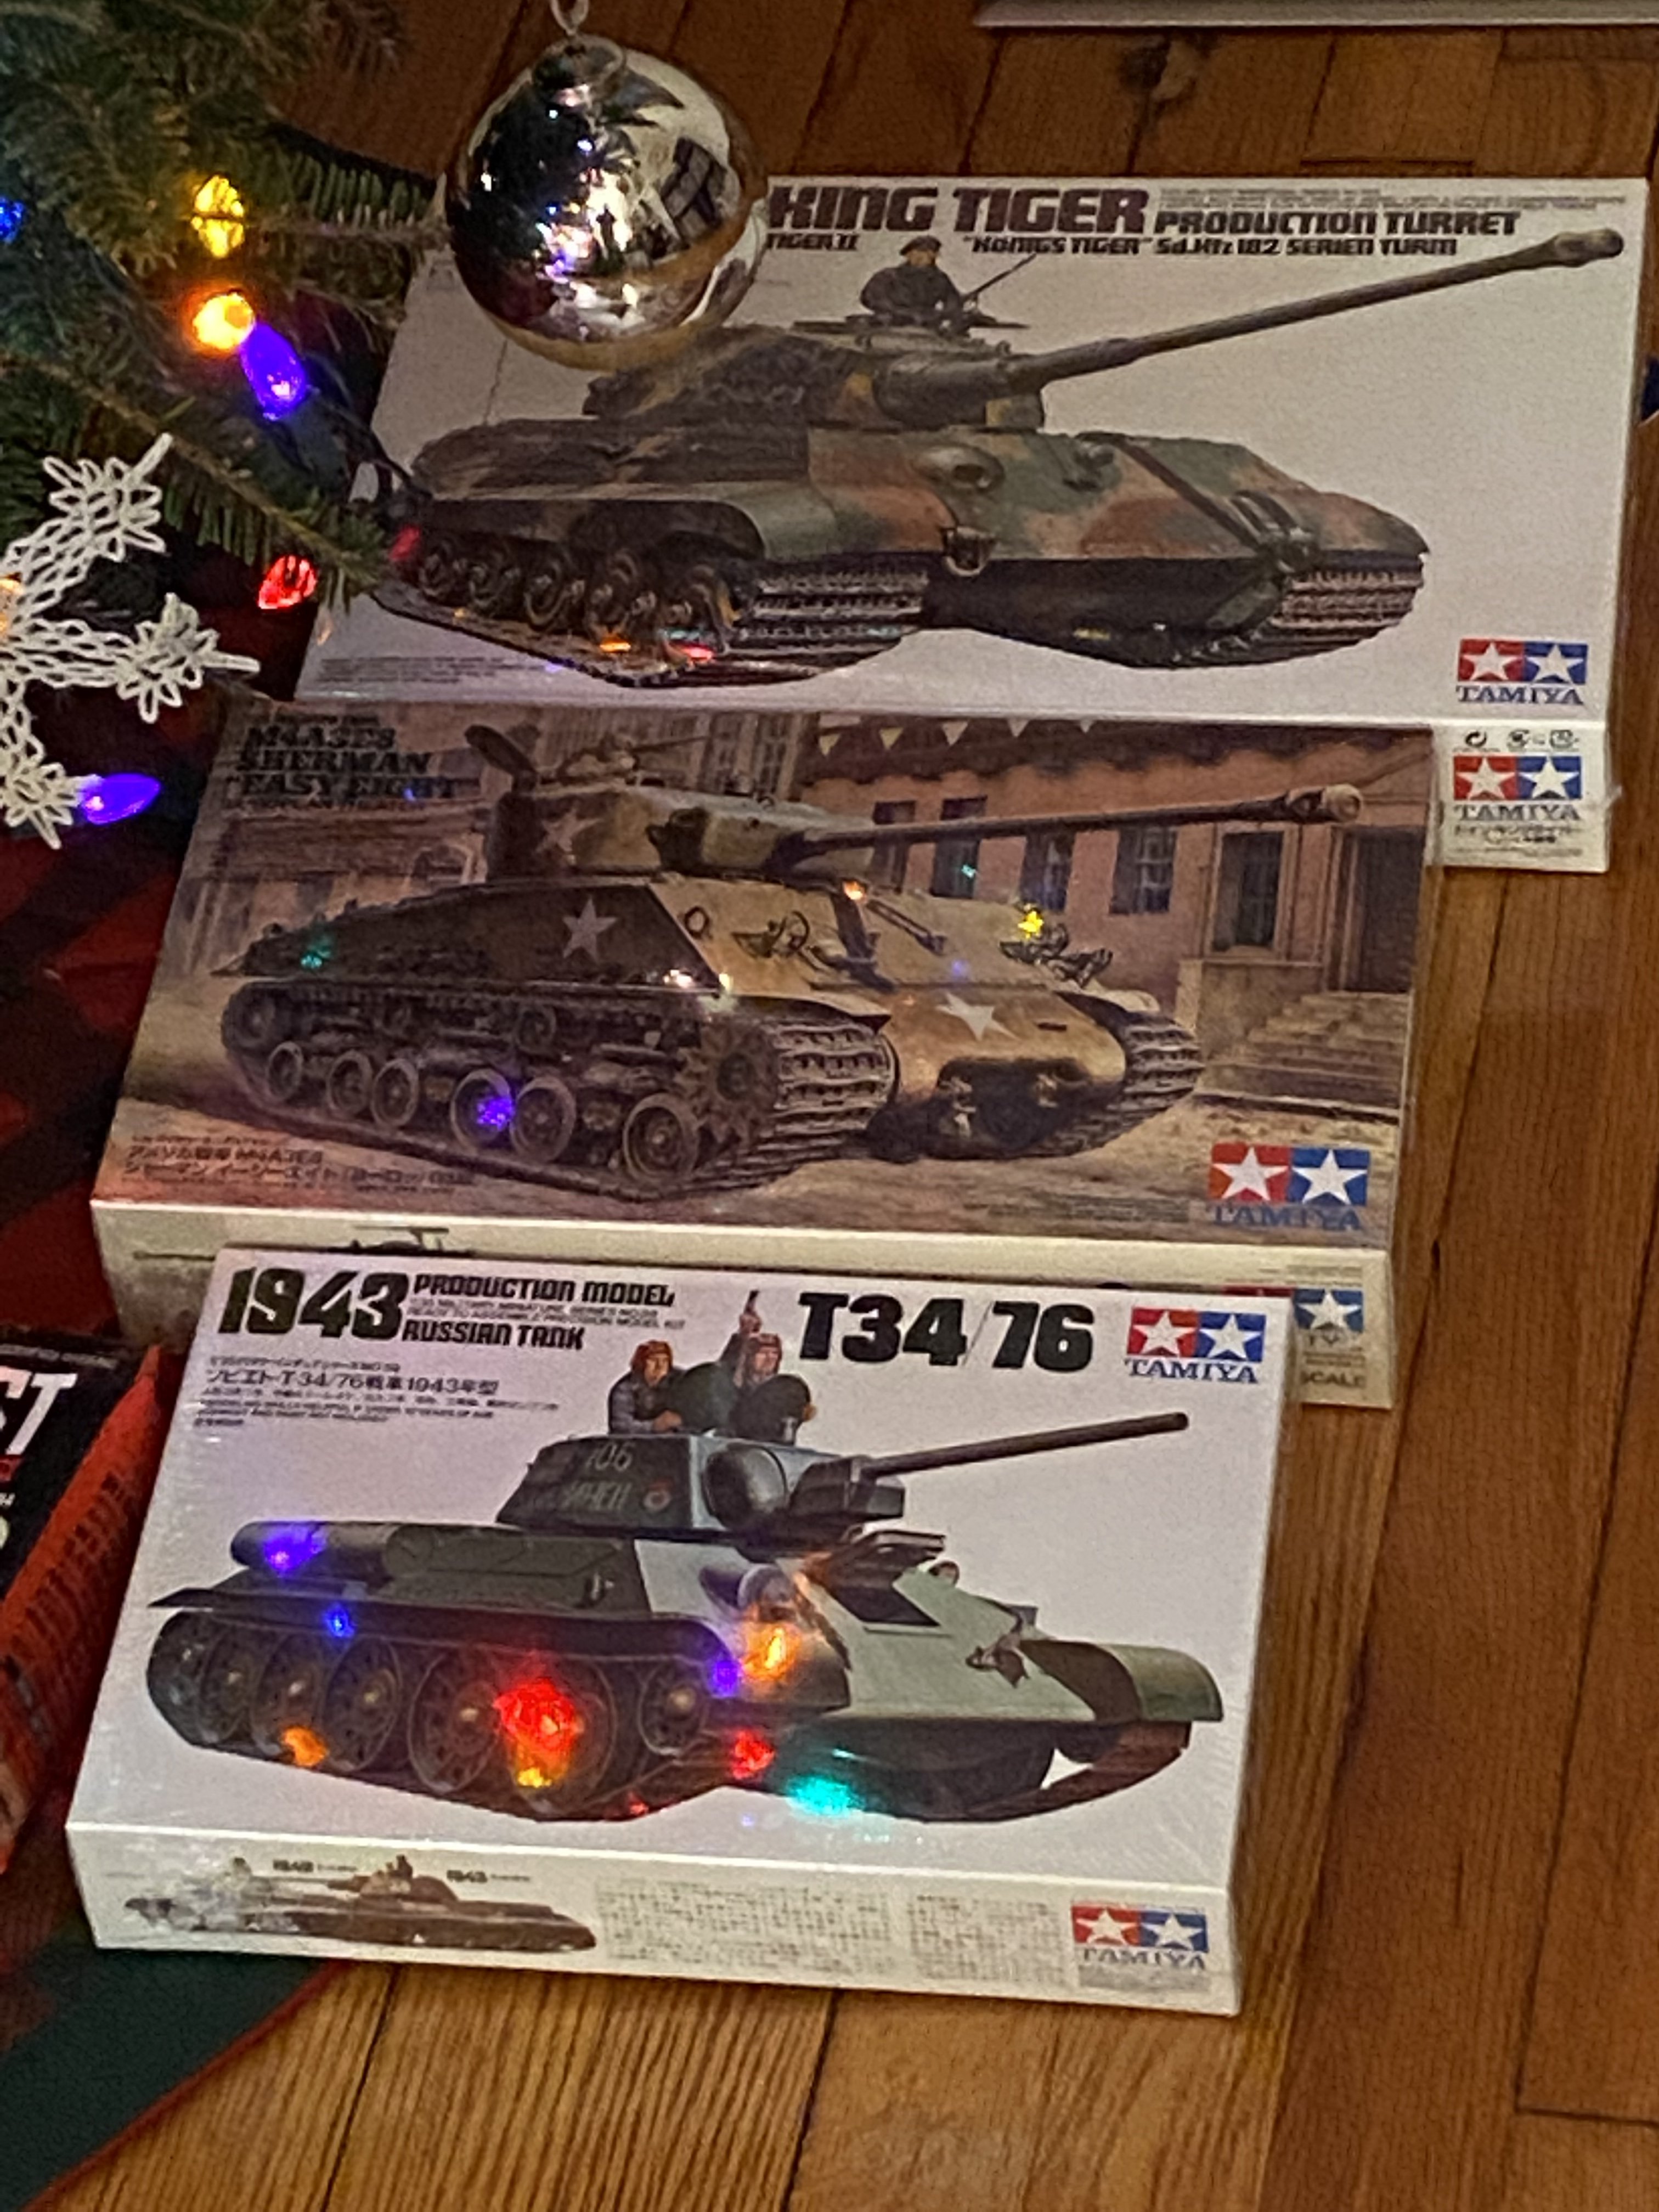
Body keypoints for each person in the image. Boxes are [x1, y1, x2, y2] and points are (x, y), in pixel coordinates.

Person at [859, 236, 970, 331]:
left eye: (926, 252)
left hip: (926, 329)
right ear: (908, 255)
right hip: (888, 326)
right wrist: (902, 313)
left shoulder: (940, 279)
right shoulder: (887, 276)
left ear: (935, 255)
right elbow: (871, 298)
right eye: (916, 252)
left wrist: (942, 316)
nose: (919, 256)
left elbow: (953, 302)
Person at [606, 1341, 684, 1435]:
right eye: (653, 1360)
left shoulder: (679, 1382)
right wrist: (654, 1426)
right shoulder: (624, 1389)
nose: (660, 1366)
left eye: (665, 1361)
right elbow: (621, 1426)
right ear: (642, 1363)